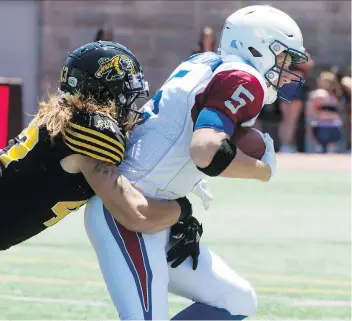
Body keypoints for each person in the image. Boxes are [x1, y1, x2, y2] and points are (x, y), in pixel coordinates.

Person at [0, 41, 193, 320]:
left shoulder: (69, 118)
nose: (129, 104)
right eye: (125, 93)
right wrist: (182, 209)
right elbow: (135, 214)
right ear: (104, 89)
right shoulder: (90, 135)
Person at [84, 5, 308, 320]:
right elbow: (205, 150)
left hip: (159, 210)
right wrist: (263, 170)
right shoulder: (245, 77)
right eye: (283, 57)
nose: (286, 69)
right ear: (257, 47)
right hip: (127, 210)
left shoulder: (202, 62)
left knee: (236, 300)